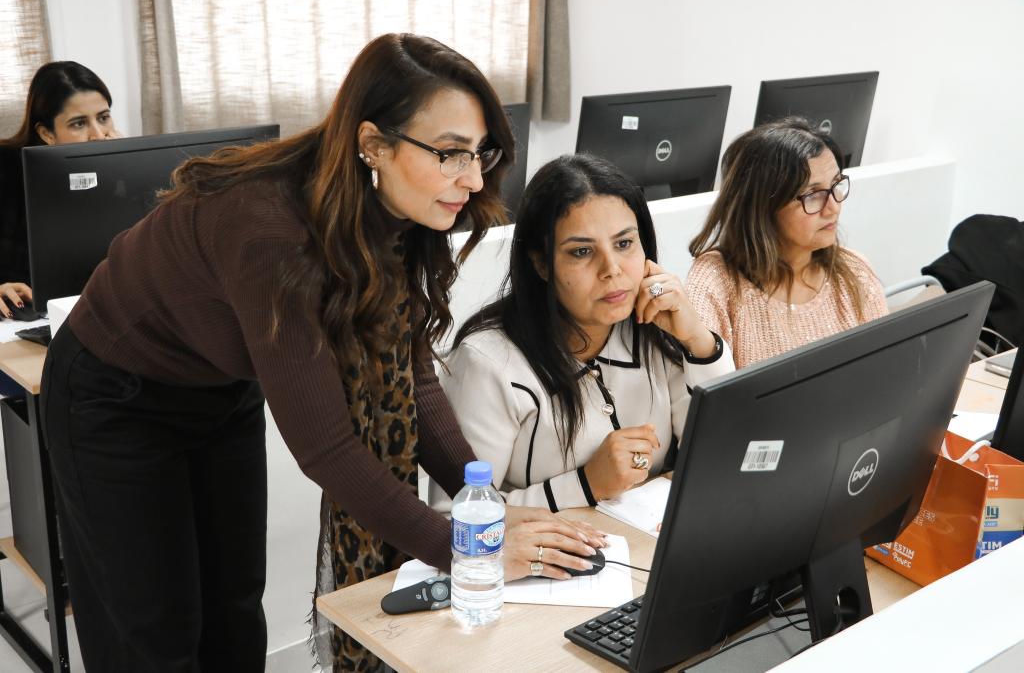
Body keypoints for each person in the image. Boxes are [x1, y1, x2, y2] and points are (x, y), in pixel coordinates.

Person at [40, 34, 601, 673]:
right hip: (113, 395)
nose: (472, 179)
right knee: (151, 636)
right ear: (373, 145)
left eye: (480, 153)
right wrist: (466, 547)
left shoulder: (394, 212)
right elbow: (327, 448)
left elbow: (414, 382)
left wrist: (487, 511)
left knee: (232, 613)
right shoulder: (271, 232)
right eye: (450, 154)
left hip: (217, 389)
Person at [432, 154, 734, 515]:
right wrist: (585, 484)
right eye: (582, 252)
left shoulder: (653, 328)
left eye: (624, 244)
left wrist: (699, 343)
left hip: (643, 543)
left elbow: (723, 455)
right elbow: (456, 517)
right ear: (541, 264)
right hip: (547, 552)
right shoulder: (487, 363)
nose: (612, 269)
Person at [685, 117, 888, 369]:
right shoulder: (714, 283)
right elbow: (708, 385)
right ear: (762, 206)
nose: (833, 207)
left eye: (836, 184)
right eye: (813, 195)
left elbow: (885, 370)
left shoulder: (854, 270)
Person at [0, 60, 119, 317]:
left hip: (91, 313)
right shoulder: (5, 169)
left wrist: (120, 167)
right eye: (79, 123)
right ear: (47, 133)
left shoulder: (122, 176)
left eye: (103, 118)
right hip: (20, 319)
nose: (99, 135)